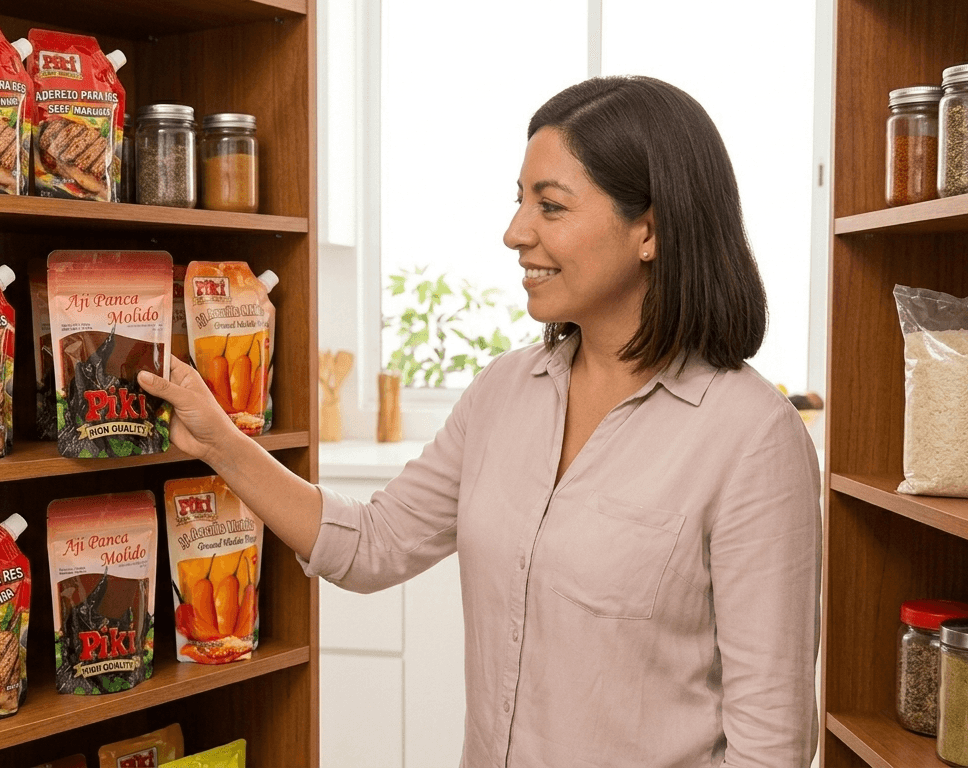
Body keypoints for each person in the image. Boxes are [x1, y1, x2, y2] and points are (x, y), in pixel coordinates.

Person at [139, 76, 821, 767]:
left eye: (550, 207)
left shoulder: (752, 438)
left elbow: (772, 745)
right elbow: (374, 543)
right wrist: (219, 440)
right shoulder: (505, 392)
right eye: (519, 200)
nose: (515, 232)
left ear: (650, 229)